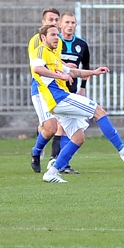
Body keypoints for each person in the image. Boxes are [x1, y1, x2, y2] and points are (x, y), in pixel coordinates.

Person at [31, 24, 124, 183]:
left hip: (58, 102)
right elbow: (37, 68)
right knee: (99, 111)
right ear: (43, 37)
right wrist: (60, 77)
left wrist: (94, 72)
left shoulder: (53, 55)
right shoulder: (41, 50)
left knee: (78, 137)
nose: (57, 38)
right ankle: (123, 150)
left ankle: (52, 172)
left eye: (57, 35)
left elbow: (73, 72)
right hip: (58, 98)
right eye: (53, 35)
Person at [27, 8, 69, 174]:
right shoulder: (37, 41)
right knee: (50, 128)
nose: (54, 22)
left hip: (56, 85)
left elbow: (54, 60)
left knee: (60, 124)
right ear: (43, 23)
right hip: (41, 87)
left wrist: (65, 66)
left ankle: (57, 159)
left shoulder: (57, 41)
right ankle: (36, 152)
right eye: (50, 20)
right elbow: (38, 66)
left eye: (56, 20)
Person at [48, 11, 91, 173]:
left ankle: (58, 161)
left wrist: (83, 87)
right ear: (60, 25)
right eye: (67, 23)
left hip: (72, 90)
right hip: (55, 89)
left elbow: (85, 67)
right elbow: (48, 62)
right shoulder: (54, 42)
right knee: (57, 126)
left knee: (66, 127)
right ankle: (55, 160)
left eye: (73, 23)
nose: (70, 26)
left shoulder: (82, 44)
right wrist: (65, 65)